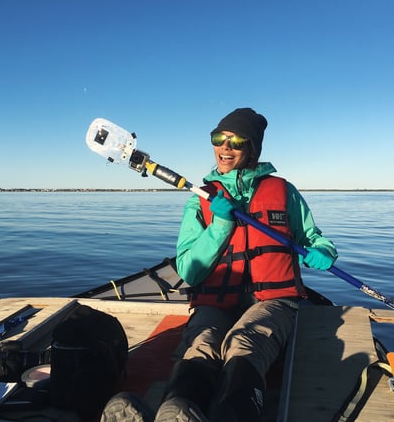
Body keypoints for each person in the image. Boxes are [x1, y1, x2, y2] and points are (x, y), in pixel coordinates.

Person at [102, 108, 338, 422]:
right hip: (216, 299)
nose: (225, 147)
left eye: (237, 140)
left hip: (273, 300)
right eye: (219, 138)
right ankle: (177, 412)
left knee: (243, 342)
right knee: (202, 344)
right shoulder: (199, 199)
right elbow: (188, 270)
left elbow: (312, 236)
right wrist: (220, 226)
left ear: (252, 148)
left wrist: (322, 251)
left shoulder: (284, 192)